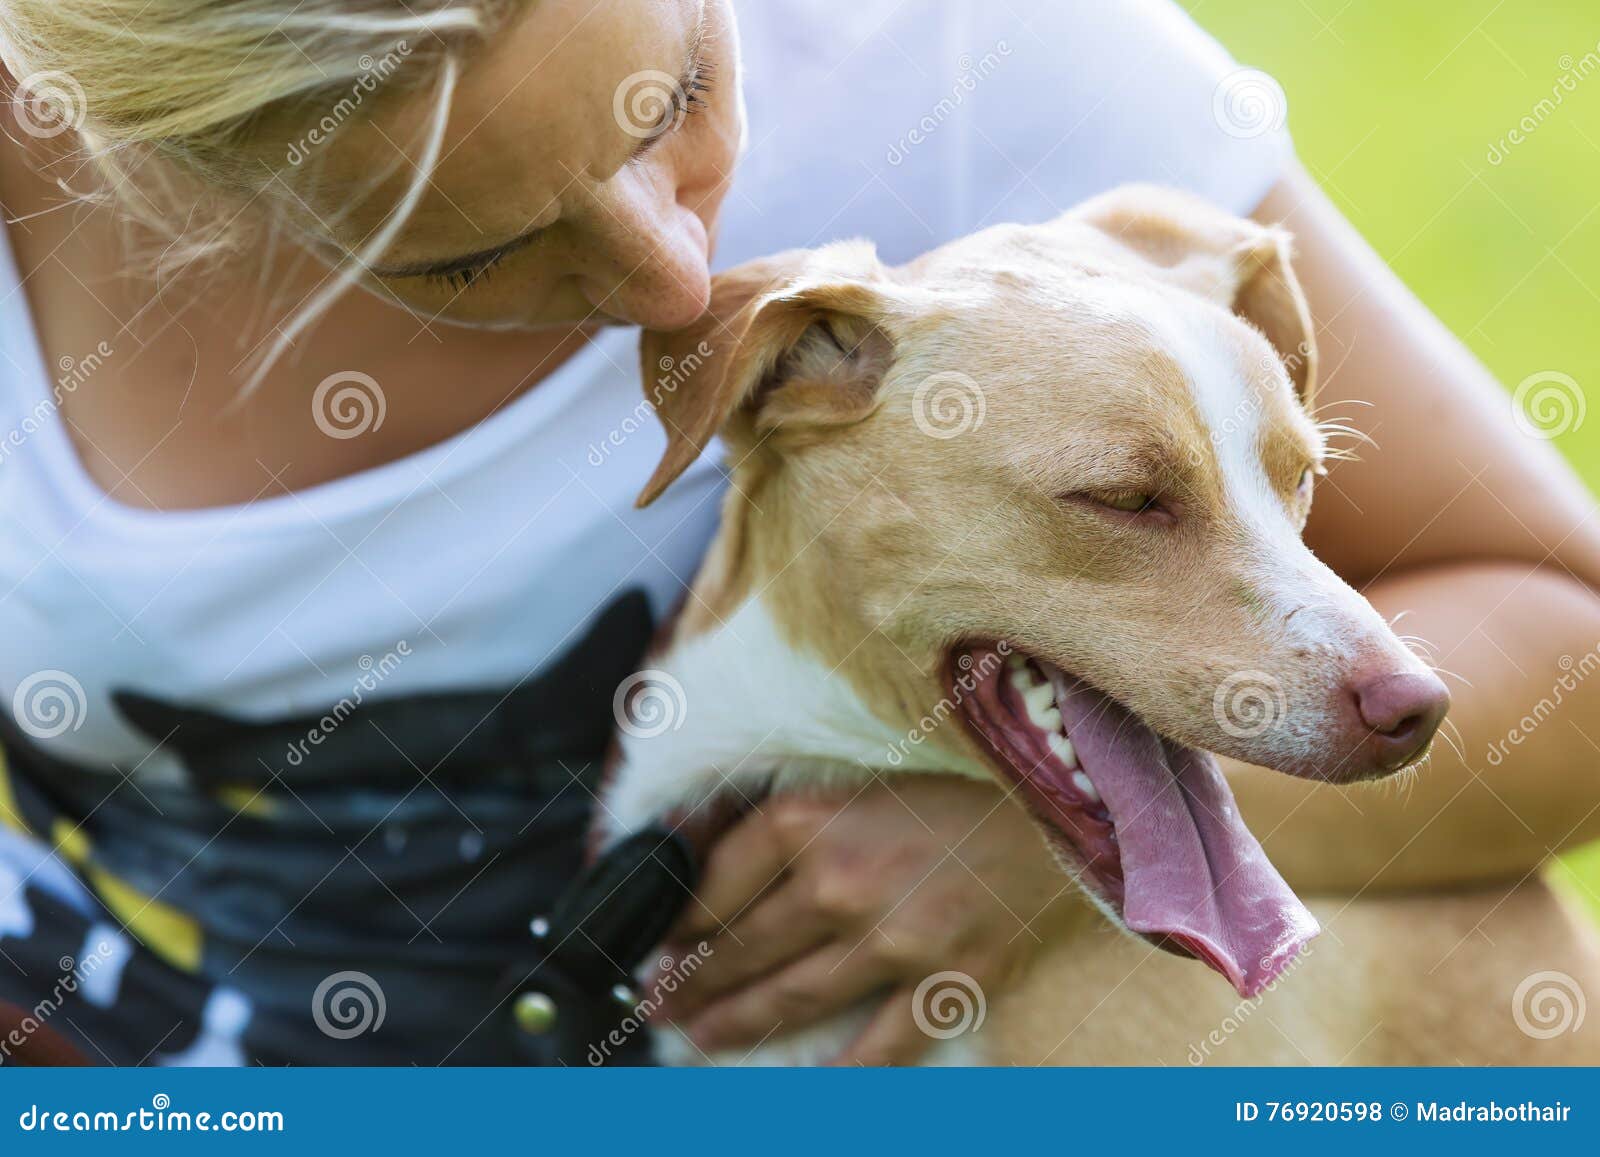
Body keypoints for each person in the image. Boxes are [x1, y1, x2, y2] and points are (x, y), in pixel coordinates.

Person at [0, 0, 1596, 1066]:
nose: (680, 284)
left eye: (677, 96)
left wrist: (1066, 841)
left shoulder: (979, 51)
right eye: (471, 261)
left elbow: (1564, 646)